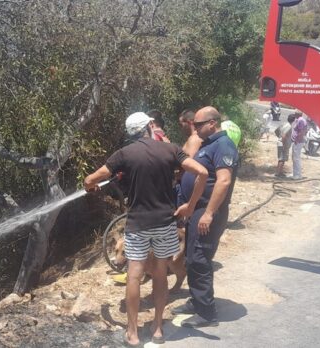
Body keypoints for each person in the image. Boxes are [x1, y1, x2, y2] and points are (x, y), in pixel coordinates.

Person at [84, 112, 209, 346]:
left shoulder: (124, 154)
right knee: (160, 275)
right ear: (150, 126)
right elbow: (202, 172)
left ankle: (132, 333)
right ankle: (158, 328)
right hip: (164, 223)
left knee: (134, 276)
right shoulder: (171, 149)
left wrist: (88, 185)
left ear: (132, 133)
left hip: (138, 224)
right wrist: (190, 206)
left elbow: (93, 178)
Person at [170, 106, 239, 328]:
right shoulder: (207, 144)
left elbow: (223, 181)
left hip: (209, 211)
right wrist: (190, 206)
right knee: (190, 258)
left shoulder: (223, 145)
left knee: (199, 258)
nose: (195, 127)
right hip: (197, 208)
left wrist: (208, 213)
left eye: (199, 124)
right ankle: (196, 301)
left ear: (212, 123)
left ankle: (207, 314)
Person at [291, 111, 309, 180]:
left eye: (295, 113)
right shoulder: (299, 120)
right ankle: (295, 173)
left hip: (298, 142)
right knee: (294, 158)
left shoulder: (301, 120)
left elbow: (301, 132)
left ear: (298, 114)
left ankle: (298, 175)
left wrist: (297, 140)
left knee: (296, 158)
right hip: (297, 141)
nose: (294, 114)